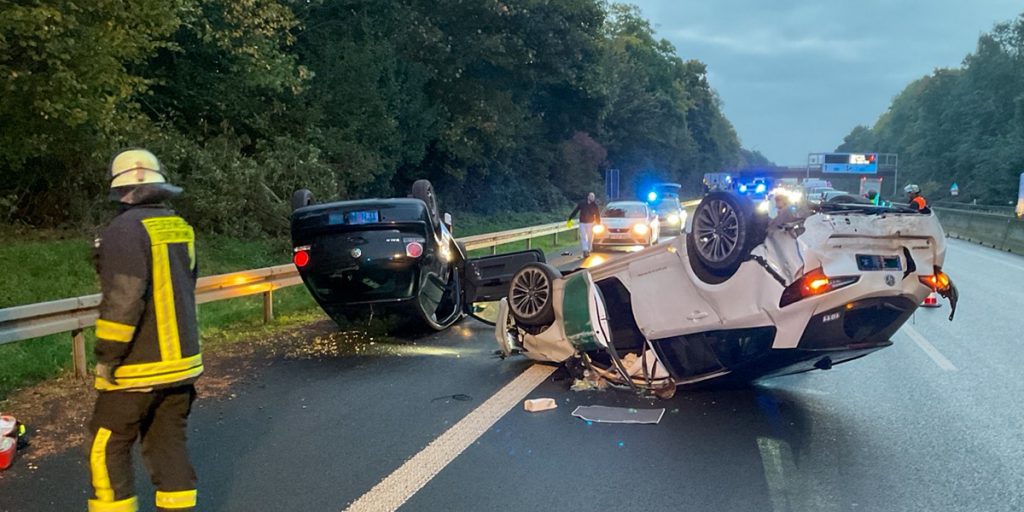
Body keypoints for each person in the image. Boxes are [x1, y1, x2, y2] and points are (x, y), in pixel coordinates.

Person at [88, 149, 202, 512]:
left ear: (121, 190)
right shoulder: (180, 228)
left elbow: (123, 302)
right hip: (182, 365)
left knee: (106, 445)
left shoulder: (123, 231)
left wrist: (108, 357)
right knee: (168, 447)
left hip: (138, 366)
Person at [567, 192, 600, 258]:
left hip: (591, 223)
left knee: (590, 237)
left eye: (593, 197)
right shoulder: (582, 203)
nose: (592, 198)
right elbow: (576, 211)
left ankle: (588, 249)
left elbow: (597, 215)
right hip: (582, 223)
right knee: (583, 237)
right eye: (591, 196)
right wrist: (570, 218)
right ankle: (585, 250)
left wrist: (598, 223)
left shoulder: (595, 205)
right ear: (588, 197)